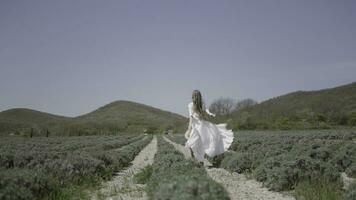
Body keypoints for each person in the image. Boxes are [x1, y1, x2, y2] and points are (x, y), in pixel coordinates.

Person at [185, 90, 234, 165]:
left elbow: (191, 118)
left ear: (192, 97)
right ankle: (200, 160)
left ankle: (196, 159)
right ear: (200, 97)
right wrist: (209, 119)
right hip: (202, 126)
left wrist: (189, 129)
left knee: (193, 143)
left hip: (196, 127)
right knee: (201, 143)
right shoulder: (202, 104)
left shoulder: (191, 105)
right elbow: (205, 115)